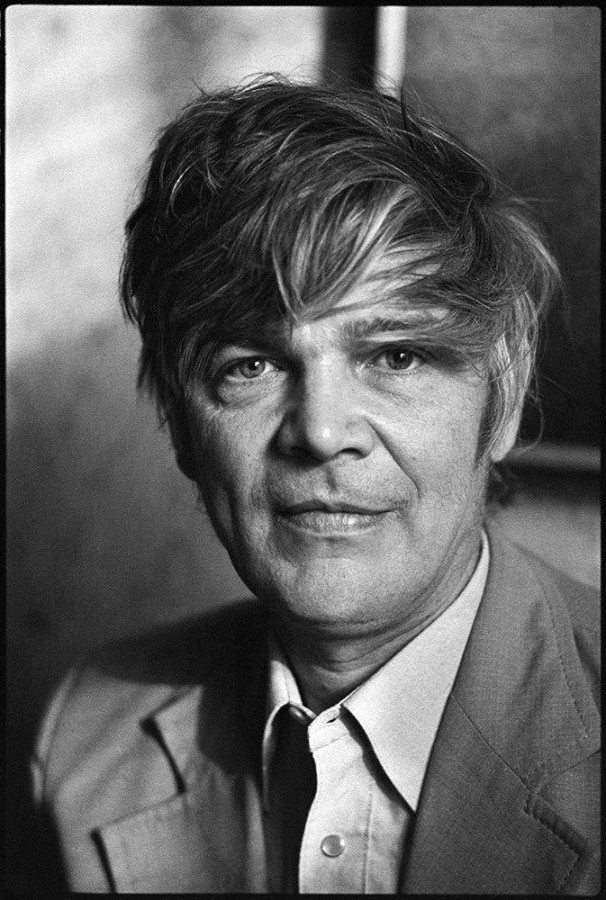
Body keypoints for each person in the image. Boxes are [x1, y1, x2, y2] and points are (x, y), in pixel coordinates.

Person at [30, 76, 599, 894]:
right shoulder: (86, 735)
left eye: (396, 355)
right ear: (182, 426)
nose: (322, 431)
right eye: (251, 365)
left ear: (502, 400)